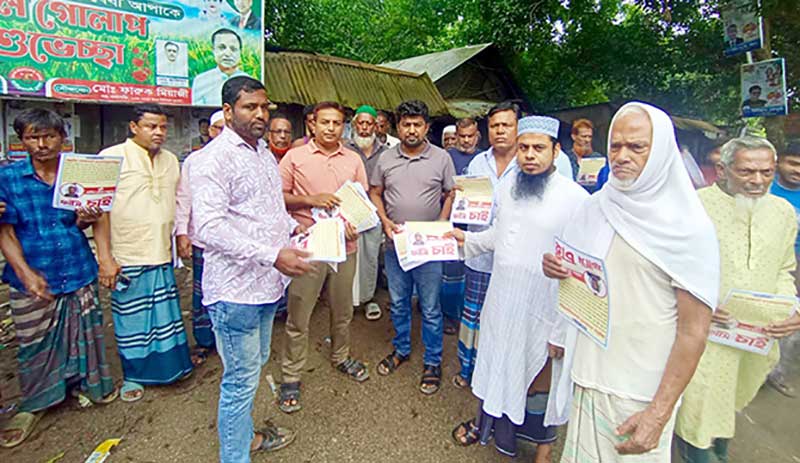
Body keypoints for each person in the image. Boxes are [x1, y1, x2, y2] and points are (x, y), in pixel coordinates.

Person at [543, 102, 720, 462]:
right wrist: (556, 267)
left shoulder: (687, 227)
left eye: (636, 147)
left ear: (661, 152)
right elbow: (580, 268)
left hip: (639, 392)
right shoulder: (597, 206)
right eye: (615, 146)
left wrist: (659, 412)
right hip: (587, 374)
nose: (622, 156)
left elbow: (694, 331)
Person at [449, 115, 588, 462]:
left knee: (540, 378)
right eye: (523, 148)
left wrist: (562, 330)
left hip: (545, 308)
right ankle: (494, 432)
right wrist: (465, 240)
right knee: (498, 362)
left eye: (538, 148)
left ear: (556, 151)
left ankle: (543, 451)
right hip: (502, 299)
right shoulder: (509, 190)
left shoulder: (576, 199)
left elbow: (582, 269)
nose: (529, 155)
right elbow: (499, 235)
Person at [191, 76, 310, 463]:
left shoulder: (261, 153)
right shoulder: (213, 159)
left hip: (264, 287)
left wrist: (298, 229)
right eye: (249, 107)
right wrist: (271, 254)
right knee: (240, 381)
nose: (260, 114)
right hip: (235, 291)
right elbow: (208, 227)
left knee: (253, 367)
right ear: (228, 112)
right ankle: (235, 455)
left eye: (264, 106)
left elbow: (269, 211)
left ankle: (244, 439)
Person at [673, 136, 800, 462]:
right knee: (696, 417)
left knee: (725, 412)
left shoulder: (784, 212)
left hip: (752, 338)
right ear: (722, 169)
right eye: (747, 171)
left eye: (766, 172)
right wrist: (700, 301)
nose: (758, 181)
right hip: (701, 336)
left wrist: (790, 308)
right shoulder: (694, 207)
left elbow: (784, 269)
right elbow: (670, 267)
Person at [0, 109, 117, 448]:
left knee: (85, 332)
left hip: (77, 265)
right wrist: (25, 273)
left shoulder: (79, 171)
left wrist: (103, 253)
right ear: (21, 140)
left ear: (62, 138)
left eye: (49, 136)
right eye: (33, 137)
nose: (41, 144)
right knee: (34, 342)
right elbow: (5, 232)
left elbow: (92, 220)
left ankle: (86, 385)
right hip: (33, 272)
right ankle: (35, 403)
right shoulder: (8, 179)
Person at [278, 101, 370, 413]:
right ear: (312, 125)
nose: (331, 128)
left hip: (345, 246)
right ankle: (291, 374)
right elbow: (277, 197)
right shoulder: (295, 157)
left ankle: (341, 356)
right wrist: (309, 199)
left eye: (337, 123)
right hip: (310, 245)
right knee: (299, 312)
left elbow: (361, 202)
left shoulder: (353, 159)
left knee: (342, 309)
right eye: (325, 122)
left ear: (344, 127)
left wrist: (354, 224)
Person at [100, 104, 193, 402]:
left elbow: (180, 202)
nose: (158, 133)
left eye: (163, 127)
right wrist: (105, 259)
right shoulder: (110, 157)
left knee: (165, 316)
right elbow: (99, 212)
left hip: (161, 251)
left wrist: (181, 235)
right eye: (151, 126)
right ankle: (134, 376)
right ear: (133, 127)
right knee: (132, 320)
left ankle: (171, 370)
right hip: (127, 253)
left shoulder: (170, 161)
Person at [369, 100, 456, 395]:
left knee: (430, 307)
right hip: (397, 243)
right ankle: (402, 349)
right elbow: (375, 192)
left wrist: (440, 226)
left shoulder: (441, 158)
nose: (411, 129)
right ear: (398, 127)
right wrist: (384, 221)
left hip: (429, 246)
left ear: (427, 127)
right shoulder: (386, 159)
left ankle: (432, 362)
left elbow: (450, 194)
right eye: (406, 124)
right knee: (398, 300)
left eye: (417, 124)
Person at [452, 102, 521, 390]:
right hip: (478, 255)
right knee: (473, 315)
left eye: (506, 125)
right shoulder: (479, 163)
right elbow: (468, 204)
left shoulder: (530, 161)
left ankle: (502, 376)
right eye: (495, 126)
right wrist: (460, 198)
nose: (500, 130)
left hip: (515, 257)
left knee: (508, 318)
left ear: (518, 127)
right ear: (487, 131)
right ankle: (469, 370)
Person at [176, 110, 228, 368]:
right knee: (202, 290)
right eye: (218, 128)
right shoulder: (195, 161)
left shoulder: (238, 158)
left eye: (226, 128)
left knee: (229, 290)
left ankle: (227, 338)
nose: (222, 133)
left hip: (231, 241)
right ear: (210, 131)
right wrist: (182, 232)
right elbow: (184, 198)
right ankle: (205, 340)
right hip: (202, 238)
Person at [346, 104, 389, 321]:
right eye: (360, 123)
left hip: (375, 213)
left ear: (376, 126)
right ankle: (349, 301)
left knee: (371, 256)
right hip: (349, 211)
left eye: (368, 123)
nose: (364, 128)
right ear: (354, 124)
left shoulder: (387, 152)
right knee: (350, 256)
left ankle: (369, 298)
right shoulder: (344, 148)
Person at [767, 141, 800, 397]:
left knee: (791, 321)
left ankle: (776, 372)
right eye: (794, 163)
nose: (798, 170)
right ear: (779, 162)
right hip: (766, 259)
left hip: (796, 264)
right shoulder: (764, 188)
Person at [192, 28, 249, 106]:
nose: (228, 53)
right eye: (222, 48)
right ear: (213, 50)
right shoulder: (201, 81)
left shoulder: (248, 81)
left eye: (233, 49)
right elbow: (196, 112)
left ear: (240, 52)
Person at [565, 118, 606, 193]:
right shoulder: (566, 158)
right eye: (584, 136)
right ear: (574, 136)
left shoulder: (597, 157)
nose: (587, 140)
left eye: (590, 137)